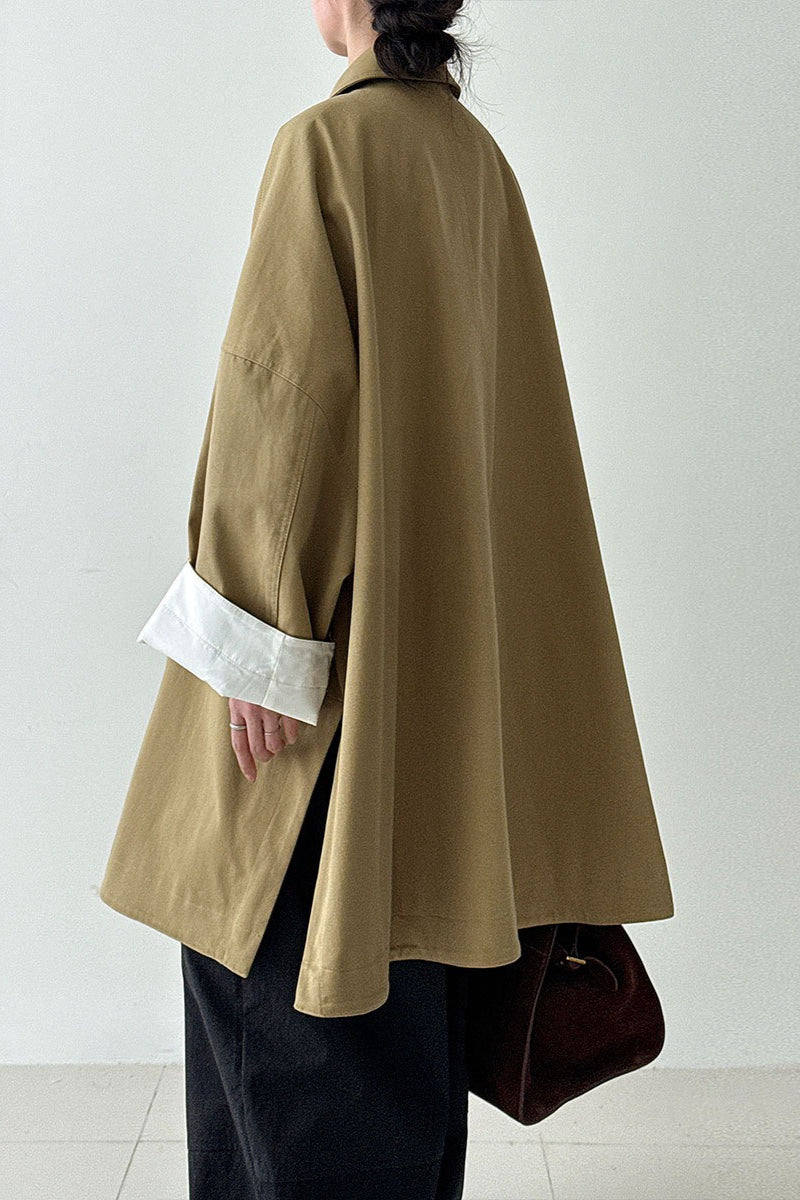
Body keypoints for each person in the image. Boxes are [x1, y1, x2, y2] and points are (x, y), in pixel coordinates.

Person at [99, 1, 675, 1196]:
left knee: (285, 1007)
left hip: (326, 692)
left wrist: (259, 639)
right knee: (407, 1033)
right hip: (442, 711)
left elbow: (281, 400)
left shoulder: (327, 145)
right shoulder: (474, 162)